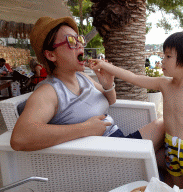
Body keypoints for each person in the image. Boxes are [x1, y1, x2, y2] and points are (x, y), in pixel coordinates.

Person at [89, 31, 183, 189]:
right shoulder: (164, 84)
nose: (162, 60)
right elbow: (132, 77)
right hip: (171, 147)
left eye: (168, 57)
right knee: (178, 187)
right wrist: (105, 65)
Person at [10, 16, 164, 162]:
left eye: (80, 39)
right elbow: (20, 138)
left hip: (119, 141)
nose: (80, 45)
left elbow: (110, 100)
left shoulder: (82, 78)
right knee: (165, 123)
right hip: (107, 156)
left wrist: (108, 84)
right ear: (51, 55)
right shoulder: (49, 91)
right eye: (71, 41)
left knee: (169, 157)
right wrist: (85, 128)